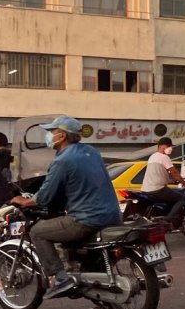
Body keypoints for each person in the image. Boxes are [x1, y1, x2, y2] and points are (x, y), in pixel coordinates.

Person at [11, 116, 122, 299]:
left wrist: (24, 201)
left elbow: (44, 197)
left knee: (37, 232)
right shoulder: (91, 152)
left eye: (51, 132)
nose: (48, 136)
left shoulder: (63, 160)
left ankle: (61, 278)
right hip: (113, 214)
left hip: (87, 219)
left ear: (61, 135)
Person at [141, 137, 185, 224]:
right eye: (168, 146)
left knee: (175, 191)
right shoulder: (164, 157)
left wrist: (169, 180)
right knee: (182, 197)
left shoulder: (152, 156)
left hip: (146, 189)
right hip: (158, 189)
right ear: (161, 146)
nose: (170, 148)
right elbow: (174, 172)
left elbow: (158, 173)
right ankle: (168, 219)